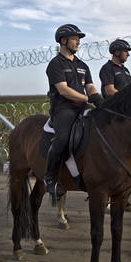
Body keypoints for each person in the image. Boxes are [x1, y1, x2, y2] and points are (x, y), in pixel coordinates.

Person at [44, 24, 103, 198]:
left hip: (82, 107)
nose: (78, 41)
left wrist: (97, 98)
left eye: (79, 38)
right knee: (62, 138)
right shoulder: (55, 64)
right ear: (63, 40)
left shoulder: (82, 65)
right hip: (64, 109)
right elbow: (63, 90)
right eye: (75, 38)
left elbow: (90, 86)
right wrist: (87, 98)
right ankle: (49, 179)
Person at [99, 38, 131, 212]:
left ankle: (124, 192)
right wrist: (130, 100)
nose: (128, 53)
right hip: (113, 112)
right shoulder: (107, 69)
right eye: (125, 51)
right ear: (116, 52)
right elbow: (110, 90)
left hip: (126, 111)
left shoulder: (126, 70)